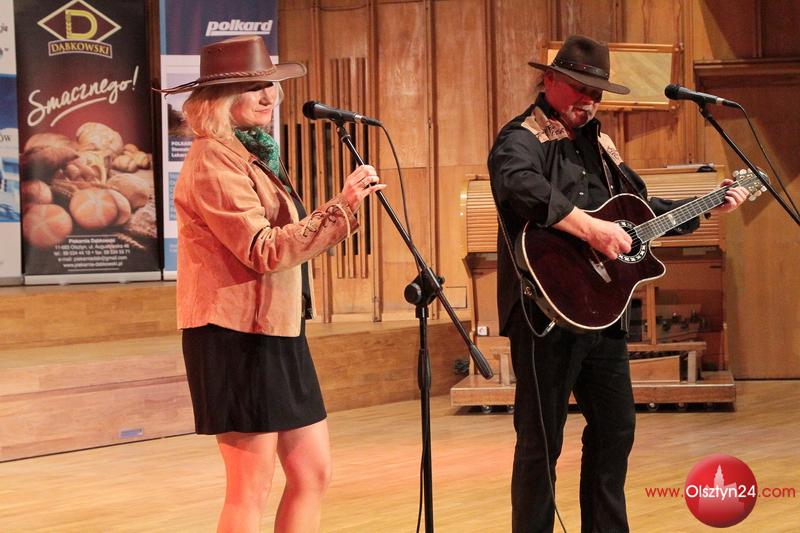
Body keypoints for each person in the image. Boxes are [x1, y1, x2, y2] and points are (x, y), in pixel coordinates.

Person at [488, 35, 749, 532]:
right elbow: (518, 184)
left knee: (615, 429)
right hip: (545, 314)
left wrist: (706, 203)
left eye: (597, 93)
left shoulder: (601, 145)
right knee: (541, 441)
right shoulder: (521, 137)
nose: (589, 100)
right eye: (579, 88)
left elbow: (640, 213)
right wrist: (591, 229)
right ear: (549, 80)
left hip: (603, 311)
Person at [161, 36, 385, 532]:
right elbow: (262, 248)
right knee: (251, 487)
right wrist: (341, 206)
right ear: (220, 99)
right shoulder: (212, 159)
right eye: (254, 87)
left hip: (278, 330)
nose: (270, 96)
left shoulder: (254, 153)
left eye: (271, 85)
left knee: (312, 472)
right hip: (234, 335)